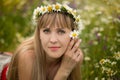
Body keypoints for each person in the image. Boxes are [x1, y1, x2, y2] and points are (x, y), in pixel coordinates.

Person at [7, 3, 84, 80]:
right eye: (46, 31)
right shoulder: (27, 56)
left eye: (61, 32)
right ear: (39, 34)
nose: (53, 40)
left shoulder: (74, 57)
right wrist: (64, 71)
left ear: (73, 35)